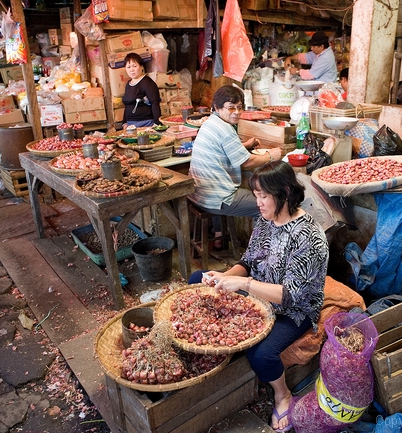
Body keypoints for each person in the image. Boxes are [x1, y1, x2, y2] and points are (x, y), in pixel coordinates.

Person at [190, 160, 329, 432]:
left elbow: (290, 295)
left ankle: (282, 394)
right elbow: (249, 260)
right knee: (199, 280)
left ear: (285, 194)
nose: (259, 203)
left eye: (264, 196)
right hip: (258, 294)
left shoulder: (309, 237)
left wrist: (243, 283)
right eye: (256, 196)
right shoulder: (265, 221)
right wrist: (225, 276)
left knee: (262, 354)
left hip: (294, 309)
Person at [187, 85, 283, 248]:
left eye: (239, 108)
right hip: (213, 199)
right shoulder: (225, 129)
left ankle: (218, 237)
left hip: (197, 194)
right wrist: (272, 155)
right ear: (217, 107)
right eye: (231, 108)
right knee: (268, 205)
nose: (237, 112)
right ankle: (260, 252)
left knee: (220, 184)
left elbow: (224, 149)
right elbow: (247, 162)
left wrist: (245, 145)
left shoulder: (211, 123)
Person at [121, 52, 161, 128]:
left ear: (141, 67)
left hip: (146, 124)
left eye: (134, 66)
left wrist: (156, 123)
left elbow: (155, 103)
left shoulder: (147, 82)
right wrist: (124, 123)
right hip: (130, 125)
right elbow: (127, 106)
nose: (131, 70)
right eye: (128, 67)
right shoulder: (128, 84)